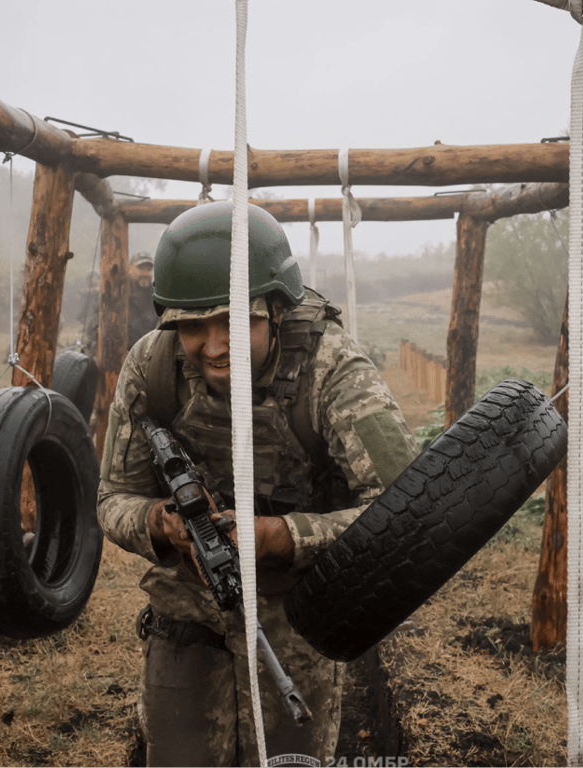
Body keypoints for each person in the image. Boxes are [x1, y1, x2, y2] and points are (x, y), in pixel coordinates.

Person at [97, 202, 417, 767]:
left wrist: (281, 535)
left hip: (298, 611)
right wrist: (163, 524)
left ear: (275, 307)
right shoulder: (152, 367)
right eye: (194, 325)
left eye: (235, 321)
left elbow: (406, 511)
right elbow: (111, 498)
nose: (215, 345)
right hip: (187, 611)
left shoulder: (332, 369)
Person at [79, 251, 158, 359]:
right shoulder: (115, 292)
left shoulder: (156, 296)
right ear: (130, 268)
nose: (145, 273)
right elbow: (93, 331)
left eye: (148, 269)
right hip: (115, 359)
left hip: (147, 356)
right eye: (141, 268)